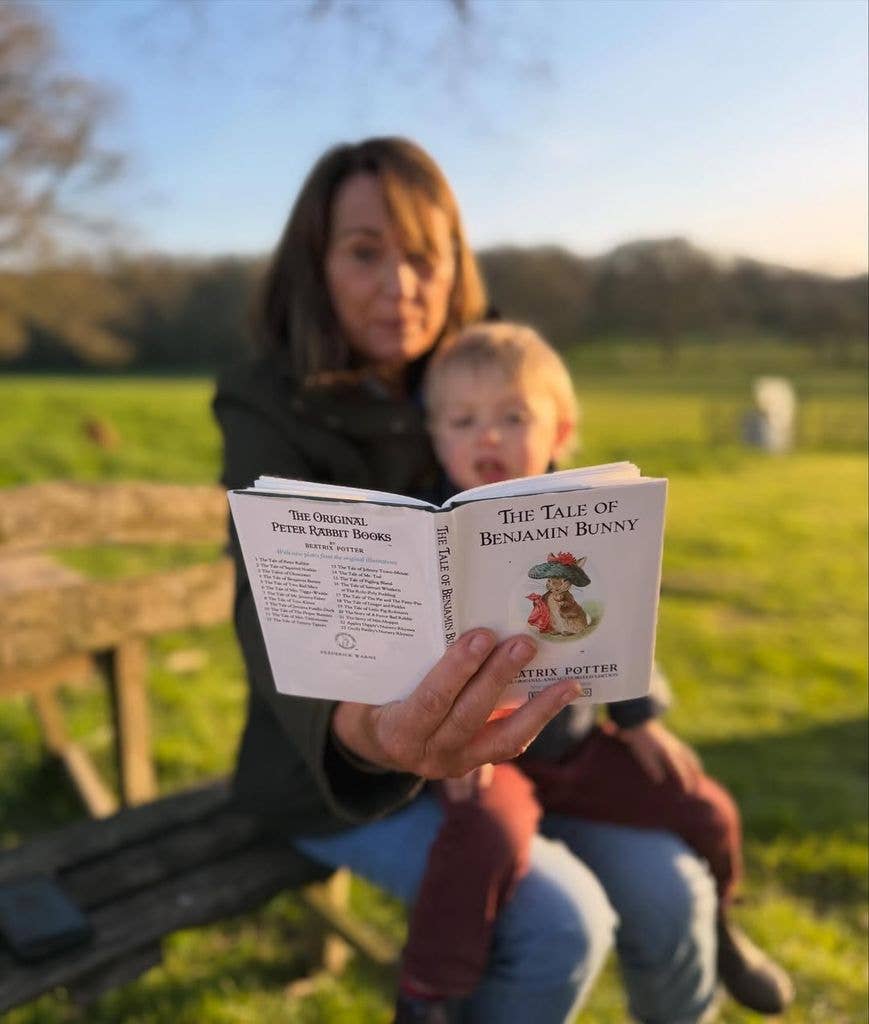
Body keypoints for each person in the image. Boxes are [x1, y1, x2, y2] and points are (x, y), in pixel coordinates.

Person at [213, 136, 722, 1024]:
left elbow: (589, 552)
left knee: (676, 892)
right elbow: (265, 597)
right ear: (315, 261)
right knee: (560, 926)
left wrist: (635, 701)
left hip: (541, 739)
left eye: (424, 255)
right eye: (366, 251)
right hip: (340, 763)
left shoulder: (490, 374)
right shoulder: (269, 402)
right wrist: (367, 734)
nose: (399, 284)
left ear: (457, 266)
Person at [393, 322, 794, 1021]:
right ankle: (428, 995)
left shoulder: (586, 516)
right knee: (479, 839)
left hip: (572, 739)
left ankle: (723, 929)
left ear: (560, 429)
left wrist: (638, 718)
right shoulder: (427, 523)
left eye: (512, 417)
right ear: (436, 436)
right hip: (483, 752)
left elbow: (623, 618)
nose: (486, 436)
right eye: (463, 420)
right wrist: (447, 743)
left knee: (702, 804)